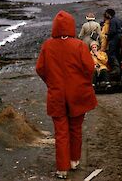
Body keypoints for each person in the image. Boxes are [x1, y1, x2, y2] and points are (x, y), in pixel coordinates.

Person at [36, 10, 97, 179]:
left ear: (55, 26)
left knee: (61, 132)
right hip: (78, 94)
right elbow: (89, 68)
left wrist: (51, 82)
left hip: (56, 95)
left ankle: (62, 168)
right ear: (70, 26)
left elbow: (40, 69)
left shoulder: (47, 45)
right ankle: (74, 161)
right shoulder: (78, 45)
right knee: (75, 129)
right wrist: (82, 82)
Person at [105, 8, 122, 75]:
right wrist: (121, 32)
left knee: (111, 53)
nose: (106, 14)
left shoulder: (112, 20)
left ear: (108, 14)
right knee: (118, 52)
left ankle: (116, 69)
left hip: (114, 38)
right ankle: (119, 67)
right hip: (119, 37)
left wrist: (107, 35)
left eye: (106, 13)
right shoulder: (118, 19)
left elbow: (112, 31)